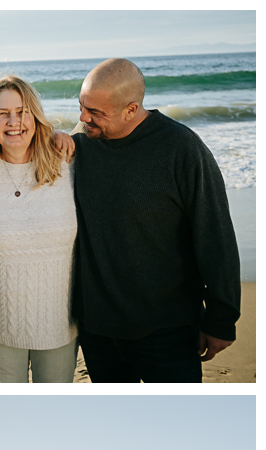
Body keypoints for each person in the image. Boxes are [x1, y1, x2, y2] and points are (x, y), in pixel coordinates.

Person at [71, 58, 241, 383]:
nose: (83, 118)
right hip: (98, 329)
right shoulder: (81, 142)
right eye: (81, 106)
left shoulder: (181, 148)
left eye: (95, 112)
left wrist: (221, 319)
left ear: (131, 110)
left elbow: (214, 234)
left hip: (167, 330)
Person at [0, 76, 79, 382]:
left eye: (22, 110)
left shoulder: (66, 162)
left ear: (36, 116)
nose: (14, 121)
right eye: (3, 113)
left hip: (60, 319)